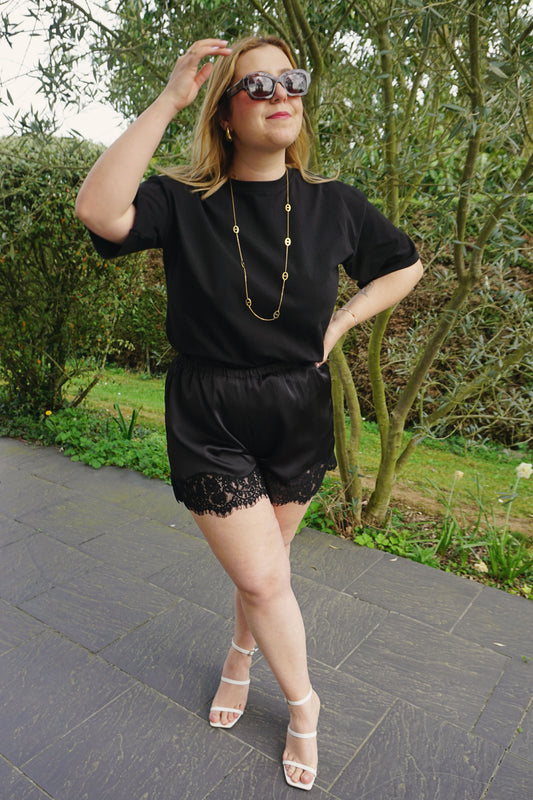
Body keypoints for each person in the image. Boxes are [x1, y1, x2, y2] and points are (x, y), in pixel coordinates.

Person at [76, 34, 423, 791]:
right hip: (210, 412)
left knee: (267, 571)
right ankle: (304, 705)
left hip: (297, 409)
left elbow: (404, 264)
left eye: (291, 80)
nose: (281, 94)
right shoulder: (183, 200)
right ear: (226, 116)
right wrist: (171, 98)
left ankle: (240, 656)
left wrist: (340, 324)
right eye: (257, 86)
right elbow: (99, 211)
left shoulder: (334, 203)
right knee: (264, 580)